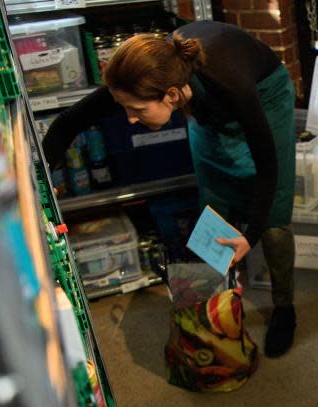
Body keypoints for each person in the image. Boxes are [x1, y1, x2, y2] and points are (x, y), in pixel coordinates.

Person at [42, 22, 297, 357]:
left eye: (136, 110)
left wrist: (250, 235)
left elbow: (268, 168)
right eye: (125, 109)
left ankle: (285, 309)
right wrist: (40, 184)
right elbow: (67, 123)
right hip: (207, 108)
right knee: (214, 209)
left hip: (264, 97)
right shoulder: (141, 77)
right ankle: (214, 311)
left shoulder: (231, 83)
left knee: (273, 219)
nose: (130, 119)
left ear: (172, 96)